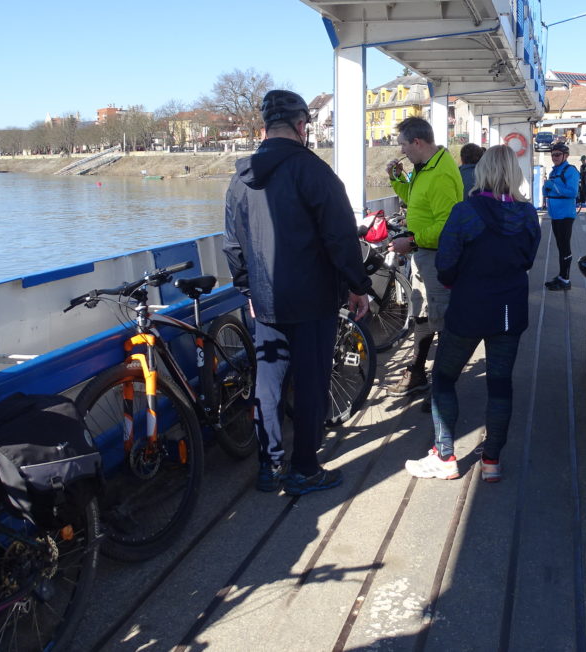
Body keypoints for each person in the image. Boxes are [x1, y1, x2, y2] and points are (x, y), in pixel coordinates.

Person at [223, 90, 371, 496]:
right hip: (313, 300)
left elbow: (232, 246)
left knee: (268, 384)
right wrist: (358, 286)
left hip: (266, 302)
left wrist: (248, 290)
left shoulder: (240, 179)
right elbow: (340, 237)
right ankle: (304, 468)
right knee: (310, 384)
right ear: (302, 125)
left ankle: (269, 466)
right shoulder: (315, 172)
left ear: (265, 127)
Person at [404, 145, 540, 481]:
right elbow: (527, 259)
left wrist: (459, 280)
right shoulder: (527, 214)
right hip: (509, 310)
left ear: (482, 172)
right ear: (514, 174)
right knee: (500, 384)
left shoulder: (466, 212)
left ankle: (445, 456)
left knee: (444, 378)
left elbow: (446, 265)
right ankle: (491, 460)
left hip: (469, 308)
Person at [385, 116, 463, 397]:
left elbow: (448, 226)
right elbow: (413, 198)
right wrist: (396, 177)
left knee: (442, 323)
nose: (401, 151)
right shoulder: (426, 167)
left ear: (417, 142)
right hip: (424, 255)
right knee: (423, 315)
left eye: (403, 145)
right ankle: (417, 373)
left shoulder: (440, 174)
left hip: (437, 258)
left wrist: (412, 240)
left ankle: (442, 392)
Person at [542, 141, 580, 290]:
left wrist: (554, 186)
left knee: (564, 247)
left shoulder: (570, 171)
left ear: (566, 155)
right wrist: (545, 189)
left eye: (557, 155)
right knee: (560, 246)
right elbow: (551, 191)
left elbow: (572, 192)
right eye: (552, 155)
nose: (554, 157)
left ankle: (565, 280)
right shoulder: (554, 171)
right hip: (555, 214)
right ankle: (561, 276)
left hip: (565, 215)